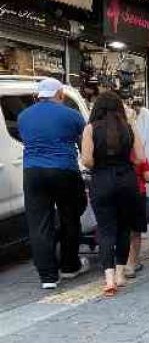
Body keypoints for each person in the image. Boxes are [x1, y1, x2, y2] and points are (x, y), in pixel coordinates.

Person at [18, 78, 89, 289]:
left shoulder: (23, 116)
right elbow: (84, 142)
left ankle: (48, 277)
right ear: (59, 95)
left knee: (39, 223)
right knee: (71, 215)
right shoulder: (71, 115)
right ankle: (69, 266)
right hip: (64, 170)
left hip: (32, 172)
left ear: (38, 96)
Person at [80, 91, 145, 297]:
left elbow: (87, 161)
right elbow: (140, 158)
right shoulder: (127, 127)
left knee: (106, 230)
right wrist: (133, 125)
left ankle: (108, 280)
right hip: (127, 180)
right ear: (119, 108)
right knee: (124, 228)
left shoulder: (90, 129)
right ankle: (120, 274)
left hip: (102, 181)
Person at [125, 151, 149, 278]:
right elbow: (148, 177)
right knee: (135, 231)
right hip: (137, 192)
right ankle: (132, 263)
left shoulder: (110, 152)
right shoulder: (137, 153)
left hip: (116, 192)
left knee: (122, 230)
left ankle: (121, 263)